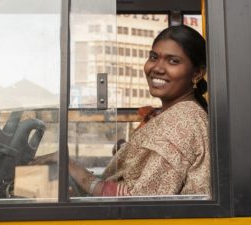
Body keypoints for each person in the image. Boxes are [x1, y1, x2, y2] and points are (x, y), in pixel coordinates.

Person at [43, 24, 211, 198]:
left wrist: (68, 164)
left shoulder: (179, 123)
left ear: (197, 74)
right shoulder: (181, 113)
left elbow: (135, 202)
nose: (157, 68)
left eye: (173, 61)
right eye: (154, 57)